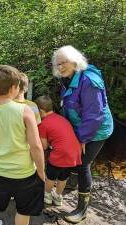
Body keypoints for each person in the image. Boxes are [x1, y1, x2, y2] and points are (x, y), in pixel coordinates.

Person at [52, 45, 114, 223]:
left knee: (84, 163)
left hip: (96, 130)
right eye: (58, 64)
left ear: (75, 61)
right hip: (81, 127)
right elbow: (70, 105)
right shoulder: (68, 78)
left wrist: (82, 138)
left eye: (64, 62)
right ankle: (74, 184)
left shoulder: (88, 81)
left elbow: (94, 115)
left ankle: (82, 209)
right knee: (76, 157)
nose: (61, 66)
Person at [0, 65, 45, 225]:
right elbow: (36, 146)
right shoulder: (25, 111)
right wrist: (41, 172)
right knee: (23, 210)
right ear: (14, 87)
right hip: (25, 173)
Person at [35, 95, 82, 206]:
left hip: (60, 153)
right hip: (74, 153)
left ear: (40, 111)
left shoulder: (43, 124)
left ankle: (47, 195)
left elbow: (44, 146)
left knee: (51, 176)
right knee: (63, 176)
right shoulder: (61, 118)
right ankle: (58, 196)